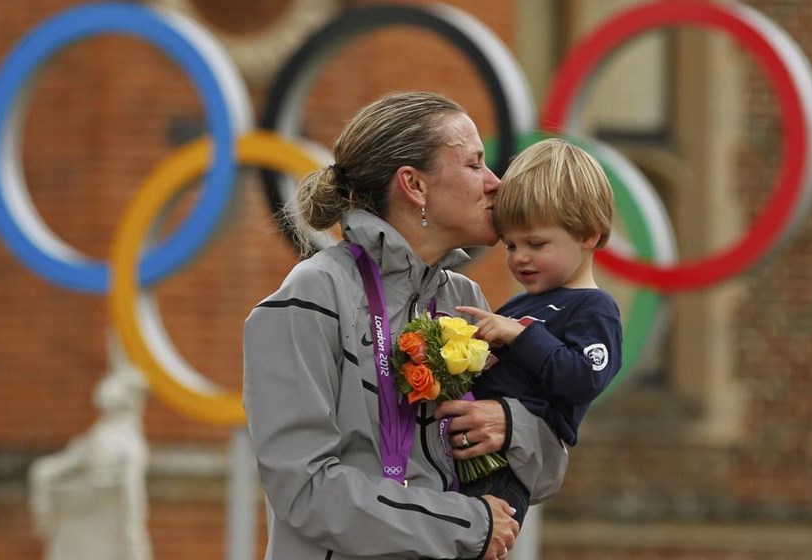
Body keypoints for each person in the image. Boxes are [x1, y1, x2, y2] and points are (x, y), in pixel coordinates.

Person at [243, 92, 567, 560]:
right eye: (475, 165)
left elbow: (545, 476)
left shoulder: (465, 301)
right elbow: (305, 490)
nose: (496, 183)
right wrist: (467, 525)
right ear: (414, 185)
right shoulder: (310, 298)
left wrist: (512, 427)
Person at [453, 138, 623, 527]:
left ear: (588, 235)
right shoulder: (518, 307)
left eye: (536, 243)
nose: (519, 257)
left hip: (509, 466)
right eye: (512, 245)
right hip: (467, 448)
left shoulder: (595, 309)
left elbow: (584, 378)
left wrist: (519, 337)